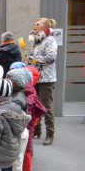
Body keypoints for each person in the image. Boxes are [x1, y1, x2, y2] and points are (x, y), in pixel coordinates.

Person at [27, 18, 58, 146]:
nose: (34, 25)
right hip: (35, 77)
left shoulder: (50, 40)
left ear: (45, 27)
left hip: (46, 79)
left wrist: (33, 60)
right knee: (34, 105)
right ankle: (37, 130)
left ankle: (50, 134)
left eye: (37, 24)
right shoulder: (36, 40)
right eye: (34, 23)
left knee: (46, 107)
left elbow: (51, 58)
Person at [6, 69, 31, 171]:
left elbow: (15, 122)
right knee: (15, 160)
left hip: (17, 133)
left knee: (16, 161)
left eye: (11, 79)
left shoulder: (17, 99)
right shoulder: (15, 95)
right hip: (17, 132)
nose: (8, 81)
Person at [20, 66, 46, 171]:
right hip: (28, 127)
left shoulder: (27, 96)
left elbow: (28, 117)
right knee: (27, 151)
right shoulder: (32, 92)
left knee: (26, 152)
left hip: (25, 127)